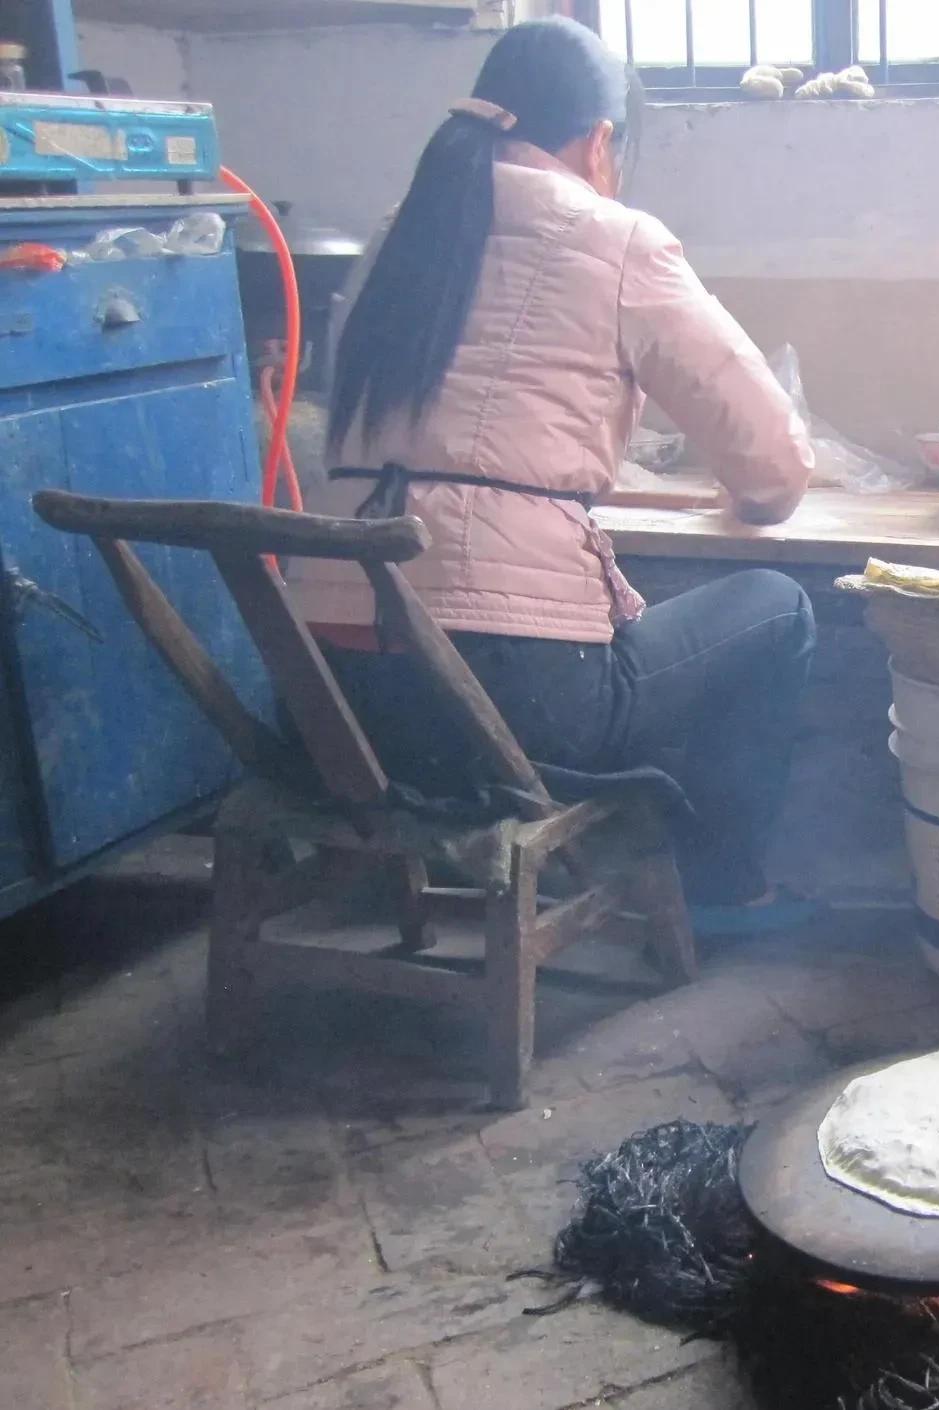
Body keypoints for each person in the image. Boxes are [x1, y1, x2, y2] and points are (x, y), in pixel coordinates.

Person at [290, 18, 819, 935]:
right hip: (506, 700)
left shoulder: (395, 233)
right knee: (778, 605)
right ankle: (724, 886)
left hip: (333, 697)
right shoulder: (614, 237)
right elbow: (774, 471)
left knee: (607, 614)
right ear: (600, 140)